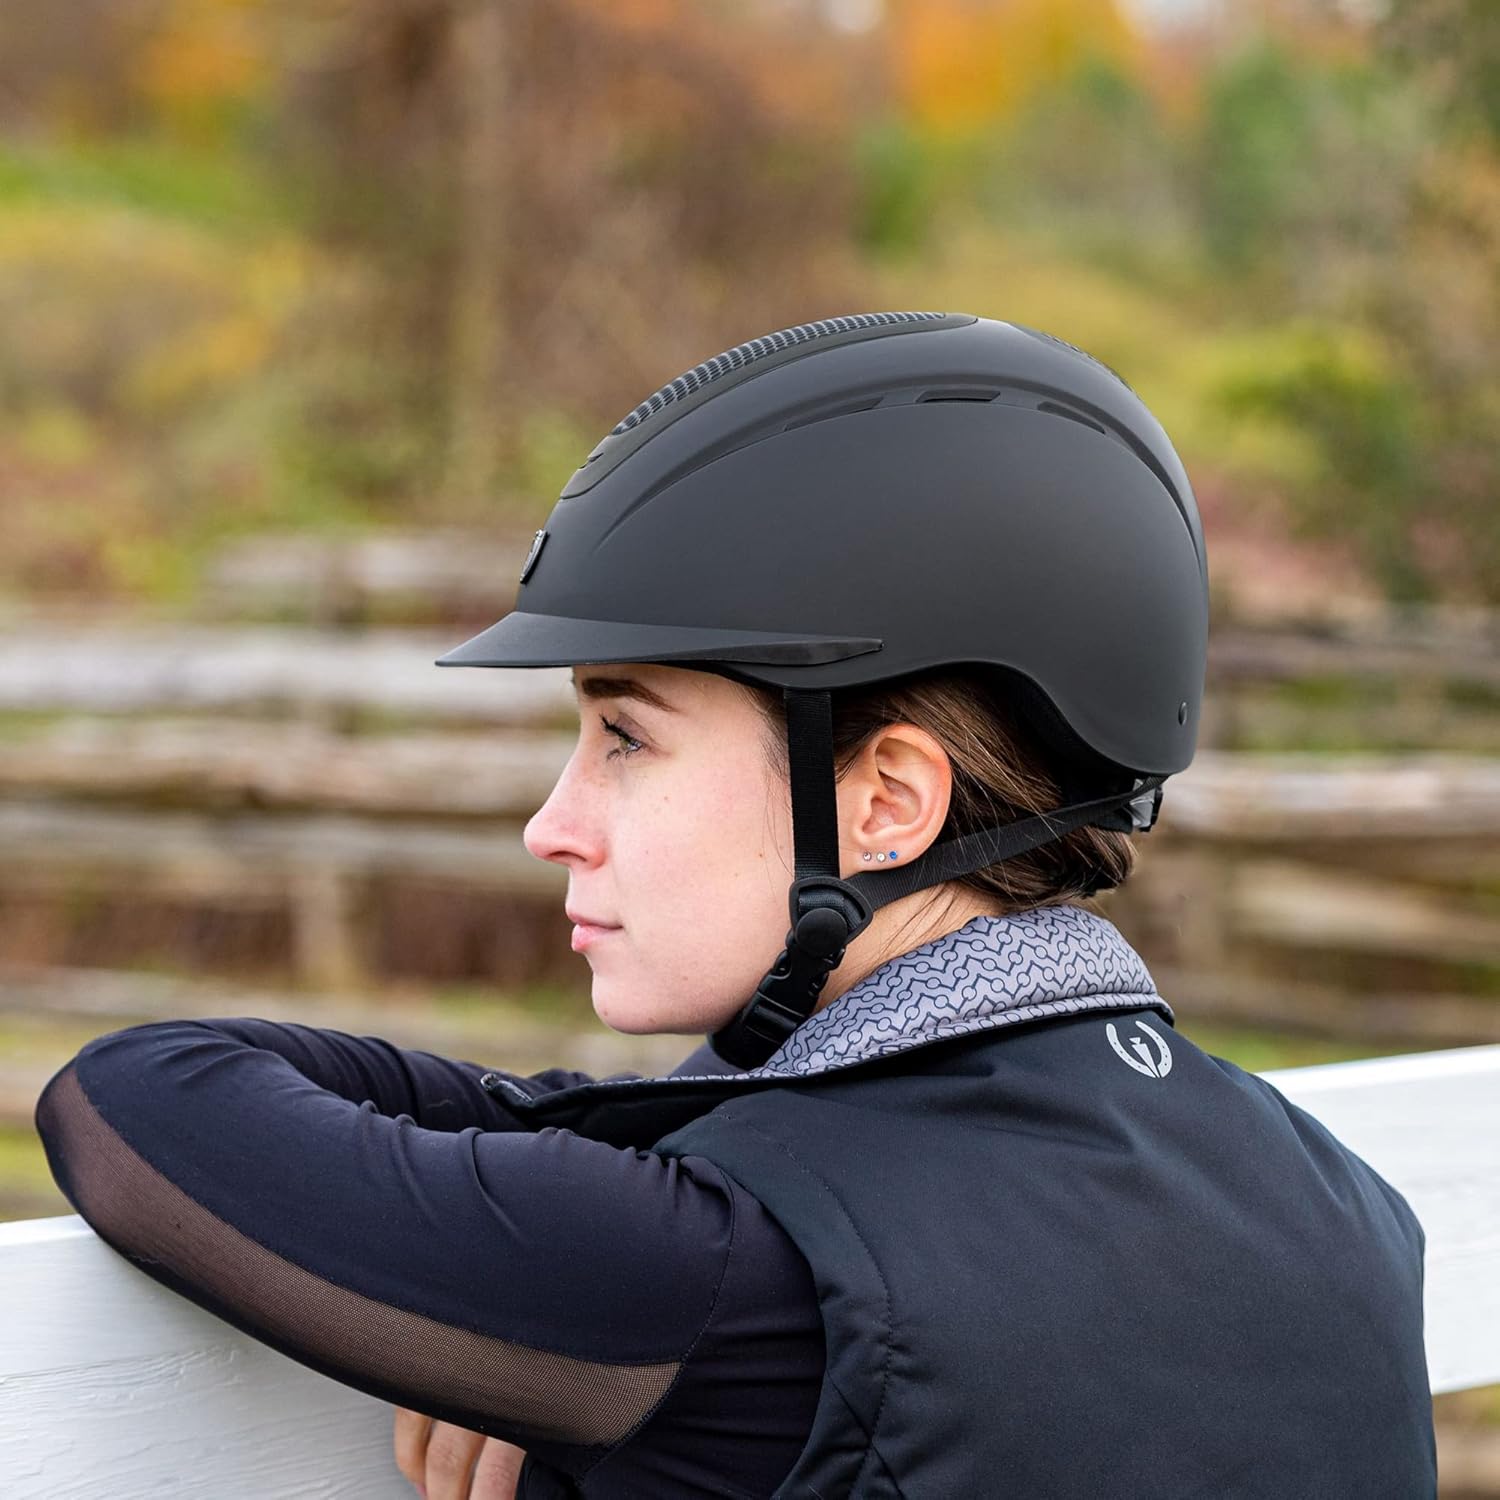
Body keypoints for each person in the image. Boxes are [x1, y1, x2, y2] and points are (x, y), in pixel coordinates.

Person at [33, 313, 1436, 1498]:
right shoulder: (1335, 1207)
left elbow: (131, 1101)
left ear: (889, 801)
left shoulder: (720, 1275)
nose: (551, 826)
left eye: (625, 739)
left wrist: (516, 1298)